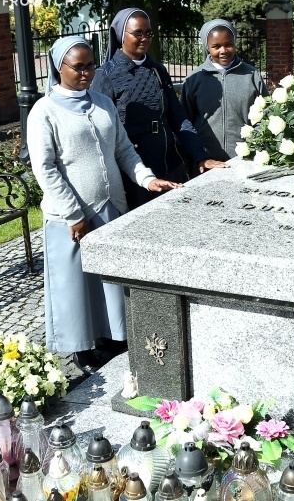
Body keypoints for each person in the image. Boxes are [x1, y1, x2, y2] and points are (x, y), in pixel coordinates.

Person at [27, 36, 181, 374]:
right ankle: (82, 349)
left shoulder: (102, 102)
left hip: (111, 204)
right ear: (58, 68)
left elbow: (123, 149)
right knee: (76, 285)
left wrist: (147, 179)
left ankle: (115, 339)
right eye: (78, 67)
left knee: (111, 280)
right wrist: (73, 214)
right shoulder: (45, 111)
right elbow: (46, 167)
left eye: (90, 66)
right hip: (72, 215)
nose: (86, 73)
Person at [90, 8, 228, 209]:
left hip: (170, 163)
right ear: (121, 35)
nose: (144, 38)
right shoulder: (105, 75)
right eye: (138, 33)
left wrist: (201, 155)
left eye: (148, 33)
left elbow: (178, 117)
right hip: (135, 171)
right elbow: (104, 132)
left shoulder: (157, 70)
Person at [180, 18, 268, 162]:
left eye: (228, 44)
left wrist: (254, 145)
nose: (223, 51)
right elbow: (185, 120)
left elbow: (265, 115)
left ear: (235, 43)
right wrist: (197, 154)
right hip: (206, 160)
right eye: (216, 46)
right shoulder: (194, 79)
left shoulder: (252, 75)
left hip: (246, 158)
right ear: (207, 47)